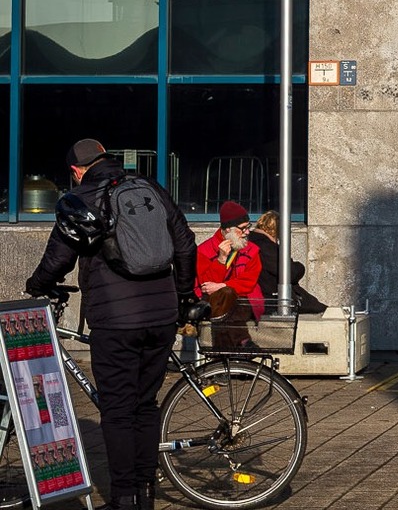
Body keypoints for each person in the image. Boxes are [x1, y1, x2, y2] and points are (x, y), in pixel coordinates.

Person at [24, 137, 197, 510]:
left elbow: (59, 257)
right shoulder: (149, 187)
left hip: (115, 320)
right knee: (145, 405)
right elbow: (185, 243)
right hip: (162, 316)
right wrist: (183, 297)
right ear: (108, 160)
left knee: (117, 410)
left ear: (75, 170)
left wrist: (37, 285)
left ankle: (124, 498)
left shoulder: (82, 199)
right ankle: (145, 493)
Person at [196, 201, 263, 342]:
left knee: (229, 295)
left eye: (248, 227)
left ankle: (229, 351)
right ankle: (243, 341)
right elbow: (206, 285)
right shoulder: (204, 250)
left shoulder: (252, 250)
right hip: (213, 303)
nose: (248, 232)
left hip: (244, 301)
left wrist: (223, 286)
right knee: (225, 297)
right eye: (243, 228)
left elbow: (249, 282)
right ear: (228, 230)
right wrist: (220, 260)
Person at [250, 210, 327, 314]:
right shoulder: (266, 247)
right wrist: (300, 267)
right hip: (272, 299)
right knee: (320, 310)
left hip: (266, 296)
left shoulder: (253, 242)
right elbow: (289, 273)